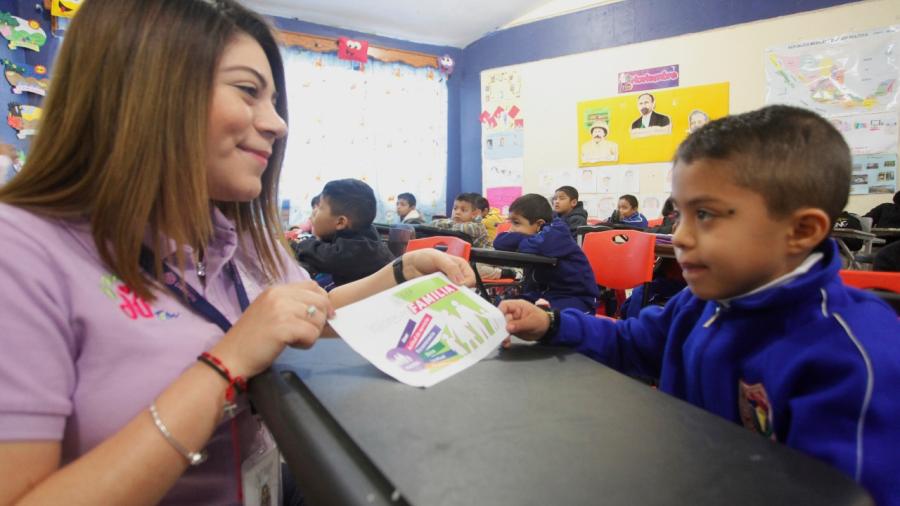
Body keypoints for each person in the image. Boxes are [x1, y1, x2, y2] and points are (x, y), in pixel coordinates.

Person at [0, 1, 474, 504]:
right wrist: (224, 366)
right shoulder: (23, 253)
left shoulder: (240, 235)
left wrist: (404, 271)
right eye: (248, 91)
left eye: (274, 100)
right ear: (147, 89)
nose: (277, 124)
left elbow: (311, 314)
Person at [500, 105, 900, 506]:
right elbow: (630, 341)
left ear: (800, 231)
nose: (680, 237)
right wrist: (552, 324)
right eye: (678, 214)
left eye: (705, 214)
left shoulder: (853, 358)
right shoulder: (699, 302)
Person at [494, 194, 599, 313]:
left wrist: (520, 242)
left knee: (538, 316)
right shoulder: (538, 234)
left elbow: (542, 245)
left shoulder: (557, 232)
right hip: (543, 294)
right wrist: (527, 240)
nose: (511, 229)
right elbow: (499, 242)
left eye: (516, 223)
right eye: (510, 222)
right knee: (504, 305)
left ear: (539, 224)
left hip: (576, 298)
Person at [292, 178, 395, 288]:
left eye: (320, 207)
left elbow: (323, 257)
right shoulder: (363, 233)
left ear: (340, 222)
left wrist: (298, 244)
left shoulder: (358, 249)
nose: (314, 211)